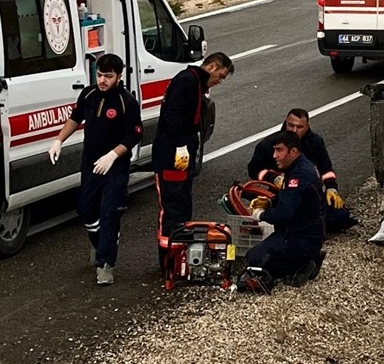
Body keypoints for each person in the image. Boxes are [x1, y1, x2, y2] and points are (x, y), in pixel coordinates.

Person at [49, 53, 142, 286]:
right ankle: (100, 244)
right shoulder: (88, 94)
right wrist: (58, 140)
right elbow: (75, 117)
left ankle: (105, 264)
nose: (102, 80)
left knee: (110, 212)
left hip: (115, 165)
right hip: (90, 162)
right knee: (86, 210)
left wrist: (113, 155)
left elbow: (134, 135)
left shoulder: (126, 102)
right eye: (99, 75)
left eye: (108, 76)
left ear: (119, 77)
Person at [150, 52, 234, 271]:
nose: (219, 82)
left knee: (181, 206)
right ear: (212, 66)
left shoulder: (194, 82)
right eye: (221, 76)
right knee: (172, 209)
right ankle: (168, 261)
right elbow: (173, 116)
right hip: (172, 158)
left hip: (179, 157)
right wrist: (180, 146)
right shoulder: (187, 82)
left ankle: (177, 257)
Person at [240, 131, 325, 294]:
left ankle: (304, 263)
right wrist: (270, 202)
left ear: (293, 152)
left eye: (279, 150)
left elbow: (284, 213)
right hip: (299, 232)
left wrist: (260, 215)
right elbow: (288, 197)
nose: (274, 155)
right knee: (254, 256)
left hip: (302, 236)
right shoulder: (298, 167)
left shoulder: (299, 175)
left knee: (256, 261)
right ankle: (306, 257)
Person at [247, 108, 358, 233]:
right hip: (281, 194)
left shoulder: (315, 142)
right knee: (284, 215)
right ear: (285, 122)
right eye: (291, 125)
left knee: (340, 216)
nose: (294, 130)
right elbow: (254, 169)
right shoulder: (269, 144)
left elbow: (326, 169)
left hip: (308, 192)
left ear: (307, 126)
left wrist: (331, 188)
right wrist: (273, 178)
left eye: (299, 127)